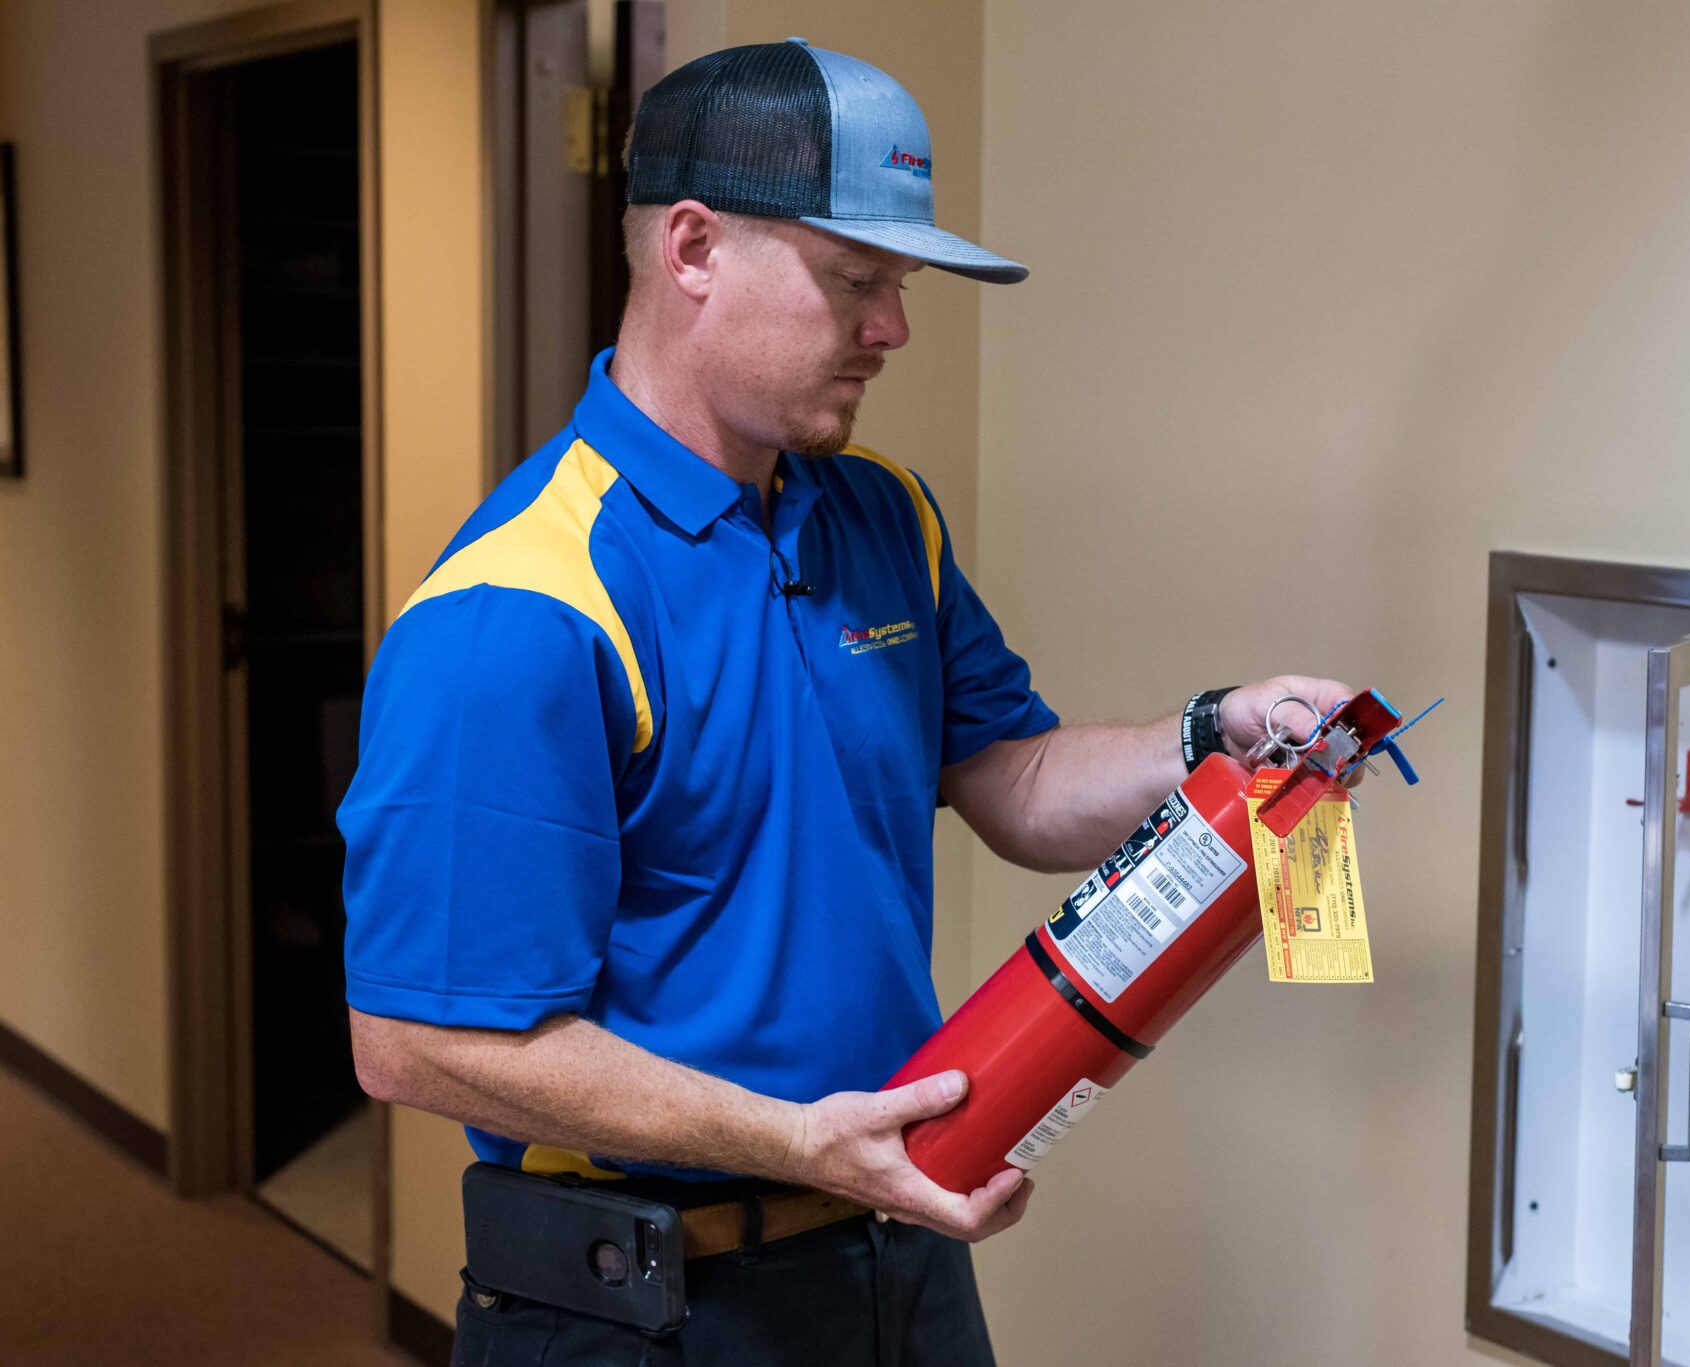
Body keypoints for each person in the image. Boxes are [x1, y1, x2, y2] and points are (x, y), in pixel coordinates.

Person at [338, 38, 1356, 1366]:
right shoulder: (520, 611)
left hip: (900, 1257)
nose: (894, 328)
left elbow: (1017, 781)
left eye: (899, 283)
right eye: (855, 280)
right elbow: (418, 1043)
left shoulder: (885, 517)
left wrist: (1206, 736)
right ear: (694, 249)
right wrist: (792, 1139)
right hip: (644, 1312)